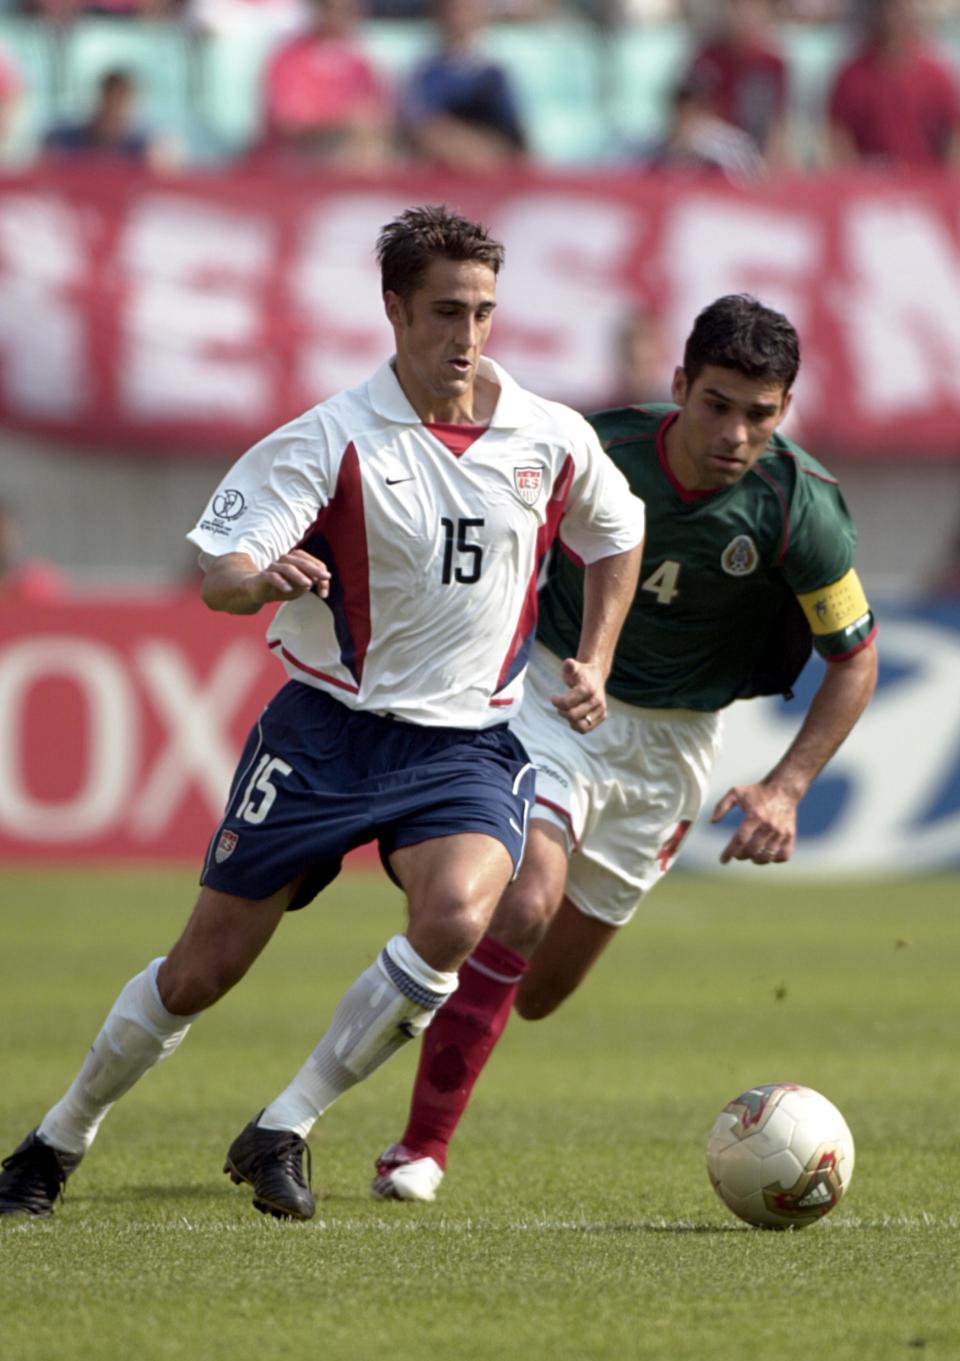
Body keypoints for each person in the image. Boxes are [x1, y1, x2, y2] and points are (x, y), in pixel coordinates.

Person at [0, 204, 645, 1221]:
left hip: (470, 741)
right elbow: (221, 568)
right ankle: (57, 1135)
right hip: (329, 733)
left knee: (459, 916)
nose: (467, 336)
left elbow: (618, 531)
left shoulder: (551, 435)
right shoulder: (328, 439)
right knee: (201, 971)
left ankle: (287, 1123)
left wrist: (598, 655)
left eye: (482, 311)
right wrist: (255, 584)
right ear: (393, 310)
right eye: (444, 312)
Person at [371, 292, 878, 1203]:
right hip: (559, 691)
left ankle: (450, 911)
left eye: (759, 414)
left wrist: (786, 787)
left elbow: (855, 658)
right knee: (522, 903)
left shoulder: (802, 508)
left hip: (674, 749)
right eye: (716, 403)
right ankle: (418, 1149)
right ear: (679, 384)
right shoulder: (593, 446)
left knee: (539, 989)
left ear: (785, 411)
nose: (733, 432)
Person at [257, 0, 393, 168]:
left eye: (351, 9)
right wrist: (345, 124)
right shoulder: (290, 59)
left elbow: (378, 120)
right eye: (336, 9)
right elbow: (289, 126)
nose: (343, 16)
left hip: (347, 159)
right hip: (294, 166)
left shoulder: (361, 64)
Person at [826, 0, 960, 168]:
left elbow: (954, 134)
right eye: (889, 11)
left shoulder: (935, 74)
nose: (893, 20)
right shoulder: (852, 75)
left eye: (902, 12)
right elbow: (838, 137)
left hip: (925, 177)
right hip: (871, 179)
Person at [398, 0, 526, 173]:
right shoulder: (425, 73)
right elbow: (422, 127)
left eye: (467, 11)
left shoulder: (494, 75)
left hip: (490, 175)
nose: (459, 19)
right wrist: (467, 150)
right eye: (454, 10)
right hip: (438, 175)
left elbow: (513, 136)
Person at [681, 0, 790, 169]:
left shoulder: (773, 64)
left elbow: (777, 126)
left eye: (755, 9)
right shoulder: (707, 57)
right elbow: (687, 120)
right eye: (739, 8)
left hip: (754, 157)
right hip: (710, 156)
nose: (746, 16)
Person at [42, 69, 176, 171]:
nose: (114, 106)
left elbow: (168, 165)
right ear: (99, 98)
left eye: (121, 99)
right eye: (110, 97)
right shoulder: (65, 139)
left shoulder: (143, 146)